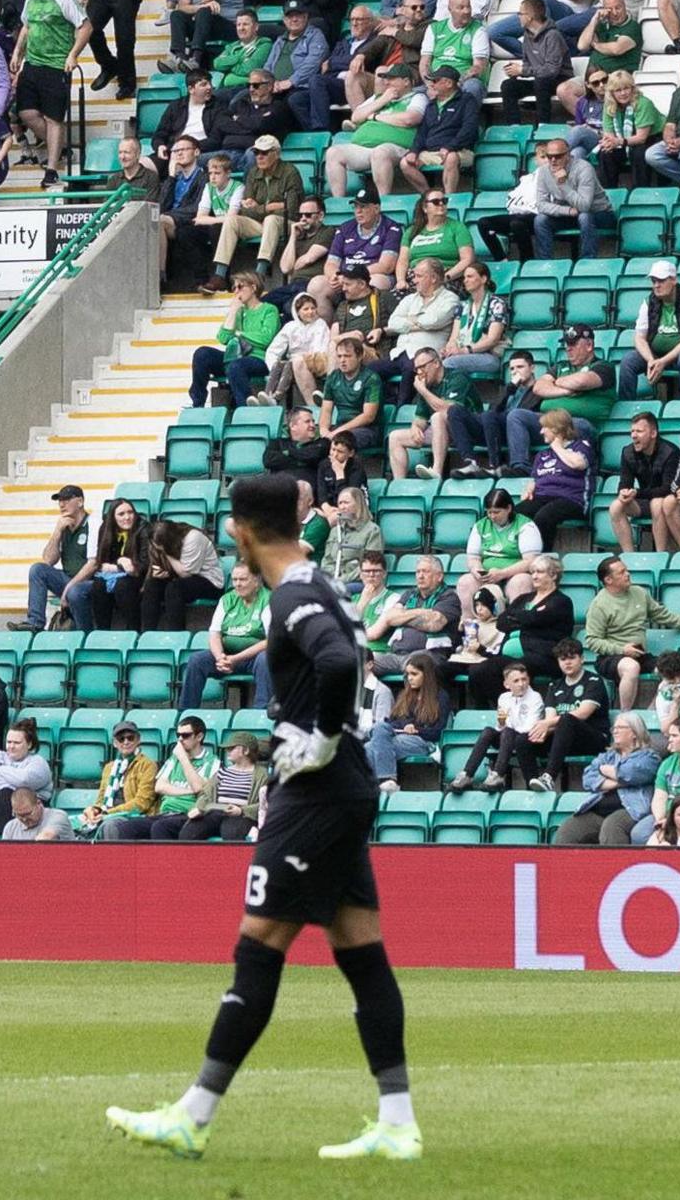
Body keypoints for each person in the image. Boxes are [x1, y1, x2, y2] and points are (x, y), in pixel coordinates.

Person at [110, 474, 417, 1163]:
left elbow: (339, 662)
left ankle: (195, 1115)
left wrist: (324, 738)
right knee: (361, 953)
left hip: (316, 792)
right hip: (342, 790)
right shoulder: (321, 584)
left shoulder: (295, 593)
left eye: (229, 524)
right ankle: (397, 1122)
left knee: (259, 948)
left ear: (243, 530)